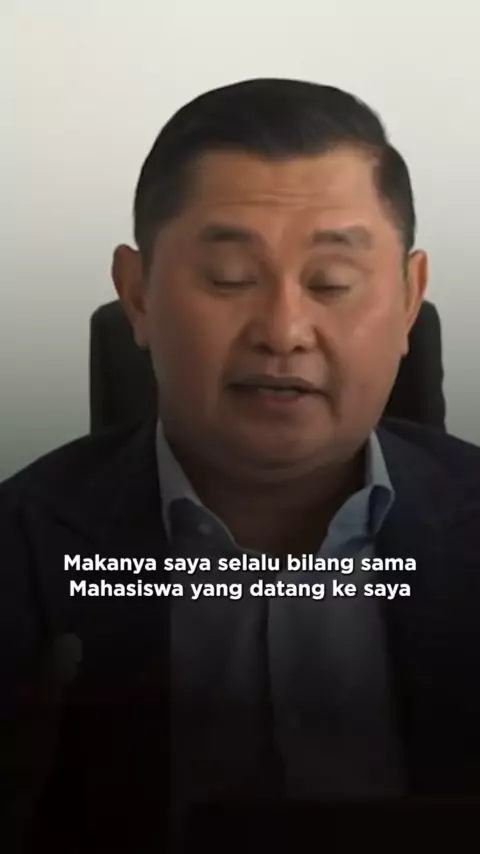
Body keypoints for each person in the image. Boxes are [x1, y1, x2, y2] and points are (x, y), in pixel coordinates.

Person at [1, 78, 480, 853]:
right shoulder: (18, 553)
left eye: (331, 283)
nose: (284, 330)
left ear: (407, 297)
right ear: (137, 295)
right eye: (229, 278)